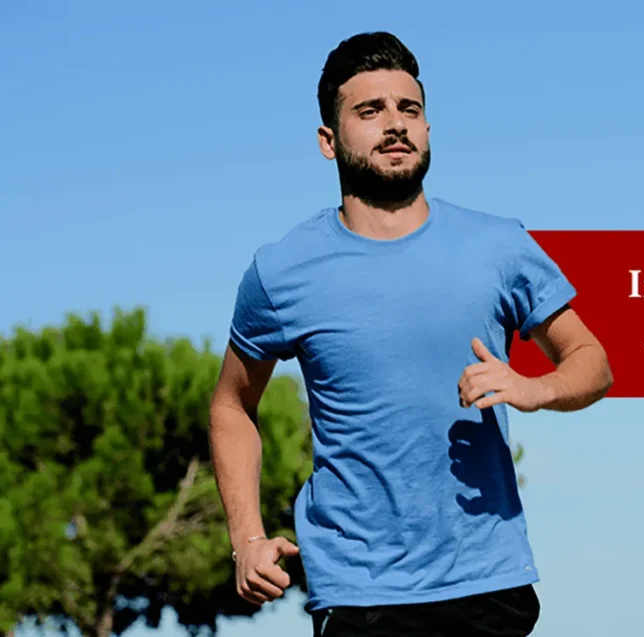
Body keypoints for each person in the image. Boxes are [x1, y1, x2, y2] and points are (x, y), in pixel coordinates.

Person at [208, 31, 613, 637]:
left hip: (489, 583)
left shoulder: (497, 245)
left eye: (409, 109)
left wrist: (535, 388)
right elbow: (231, 406)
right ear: (328, 141)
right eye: (369, 111)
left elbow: (592, 362)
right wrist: (247, 538)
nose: (394, 124)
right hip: (359, 590)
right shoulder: (281, 272)